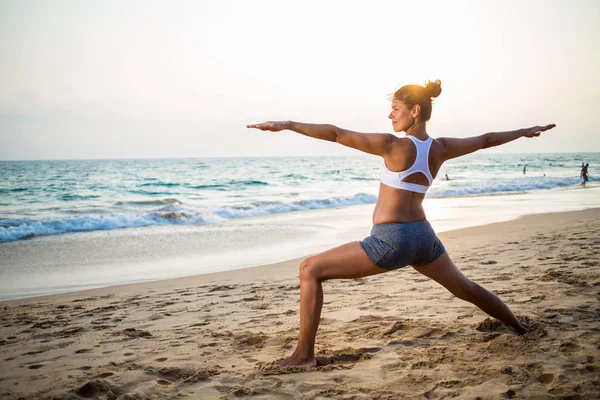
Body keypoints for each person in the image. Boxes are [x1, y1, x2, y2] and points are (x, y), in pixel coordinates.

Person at [247, 80, 556, 368]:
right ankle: (520, 327)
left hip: (390, 241)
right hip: (424, 239)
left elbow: (336, 134)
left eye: (396, 109)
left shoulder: (392, 145)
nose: (390, 115)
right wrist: (524, 131)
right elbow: (486, 140)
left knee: (309, 269)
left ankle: (303, 355)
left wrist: (287, 125)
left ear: (415, 111)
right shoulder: (441, 148)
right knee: (466, 288)